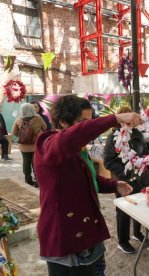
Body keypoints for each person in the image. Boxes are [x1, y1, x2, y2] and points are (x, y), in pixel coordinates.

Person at [34, 95, 137, 275]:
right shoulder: (47, 143)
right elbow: (69, 139)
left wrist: (115, 185)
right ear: (64, 122)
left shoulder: (78, 148)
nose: (88, 128)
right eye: (82, 122)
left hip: (90, 235)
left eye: (90, 122)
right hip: (67, 241)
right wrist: (114, 119)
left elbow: (90, 178)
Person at [104, 106, 149, 254]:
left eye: (132, 121)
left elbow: (144, 151)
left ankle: (137, 233)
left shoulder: (137, 134)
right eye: (127, 121)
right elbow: (108, 161)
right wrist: (125, 172)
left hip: (140, 178)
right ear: (121, 121)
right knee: (123, 211)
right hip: (123, 181)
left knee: (139, 206)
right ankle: (123, 241)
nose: (130, 124)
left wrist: (146, 159)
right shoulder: (113, 138)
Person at [12, 103, 47, 187]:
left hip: (23, 147)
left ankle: (28, 180)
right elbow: (45, 127)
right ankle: (38, 181)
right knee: (36, 163)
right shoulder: (38, 118)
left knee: (26, 162)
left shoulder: (19, 119)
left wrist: (23, 137)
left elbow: (14, 132)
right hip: (36, 146)